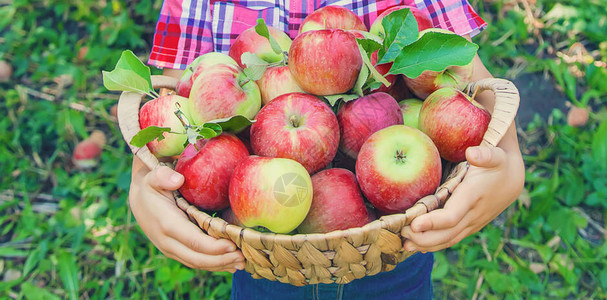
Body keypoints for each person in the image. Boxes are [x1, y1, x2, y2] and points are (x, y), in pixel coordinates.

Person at [129, 0, 525, 298]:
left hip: (392, 240)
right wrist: (145, 181)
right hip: (261, 254)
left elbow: (454, 62)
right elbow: (181, 94)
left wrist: (507, 163)